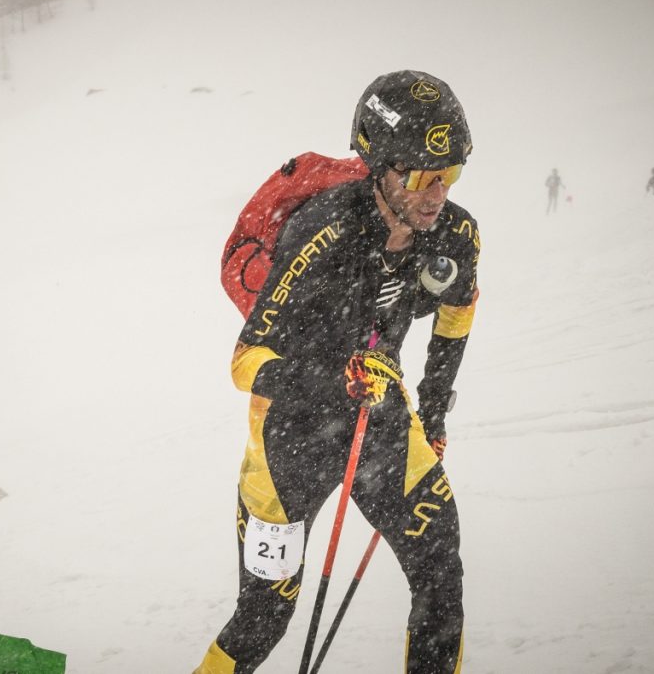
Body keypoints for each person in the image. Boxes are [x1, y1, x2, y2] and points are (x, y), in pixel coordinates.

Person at [194, 70, 479, 674]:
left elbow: (459, 309)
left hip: (381, 420)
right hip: (287, 442)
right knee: (265, 617)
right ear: (382, 166)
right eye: (427, 176)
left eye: (450, 174)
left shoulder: (455, 233)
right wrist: (336, 382)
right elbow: (248, 362)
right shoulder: (321, 230)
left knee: (441, 576)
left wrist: (431, 411)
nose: (439, 194)